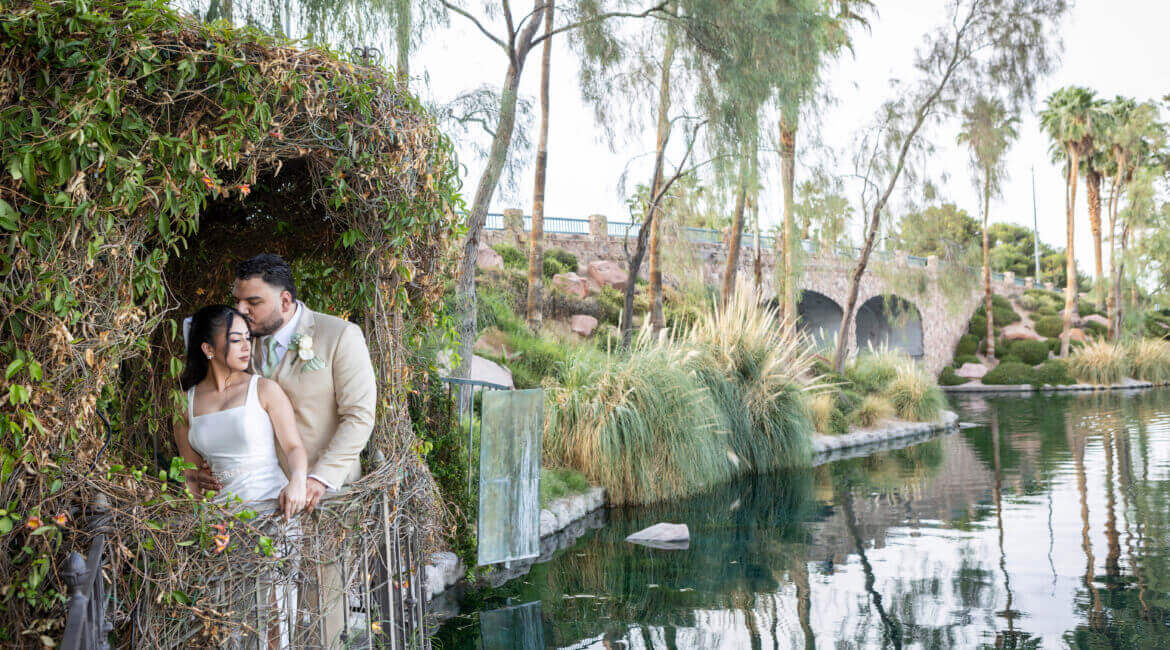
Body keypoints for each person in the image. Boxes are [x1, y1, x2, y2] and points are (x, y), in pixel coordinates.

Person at [196, 253, 378, 647]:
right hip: (262, 502)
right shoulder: (245, 344)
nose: (241, 312)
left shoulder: (339, 336)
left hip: (324, 499)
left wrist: (315, 478)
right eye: (238, 302)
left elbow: (360, 418)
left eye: (252, 303)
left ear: (284, 301)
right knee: (267, 613)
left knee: (320, 608)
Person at [173, 304, 308, 648]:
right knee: (231, 611)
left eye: (248, 338)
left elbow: (293, 447)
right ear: (207, 348)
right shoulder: (183, 403)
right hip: (221, 521)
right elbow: (190, 476)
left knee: (274, 607)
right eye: (235, 340)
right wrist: (199, 518)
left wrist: (297, 481)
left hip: (272, 512)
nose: (247, 346)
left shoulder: (263, 389)